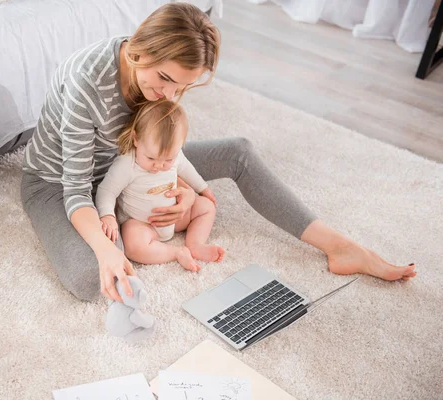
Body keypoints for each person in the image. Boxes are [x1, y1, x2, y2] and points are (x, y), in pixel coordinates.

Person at [21, 3, 416, 304]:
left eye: (181, 87)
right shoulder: (85, 82)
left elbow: (163, 145)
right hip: (58, 181)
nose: (169, 96)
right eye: (164, 81)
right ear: (139, 51)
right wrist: (107, 248)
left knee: (238, 152)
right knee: (95, 277)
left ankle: (340, 247)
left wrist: (180, 185)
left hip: (135, 161)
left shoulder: (159, 75)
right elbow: (77, 189)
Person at [96, 100, 224, 273]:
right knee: (132, 244)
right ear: (136, 139)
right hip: (142, 223)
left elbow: (187, 170)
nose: (159, 166)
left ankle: (196, 244)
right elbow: (106, 191)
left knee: (206, 207)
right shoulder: (127, 164)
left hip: (175, 217)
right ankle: (175, 252)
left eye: (168, 160)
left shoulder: (176, 155)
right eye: (151, 158)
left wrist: (203, 189)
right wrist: (107, 215)